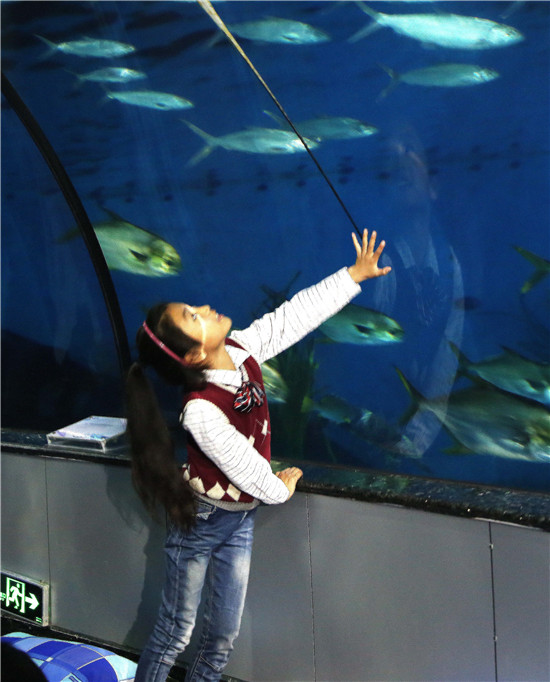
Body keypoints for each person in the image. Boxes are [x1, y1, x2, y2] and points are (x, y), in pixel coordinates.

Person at [125, 229, 392, 682]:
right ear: (193, 354)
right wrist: (279, 488)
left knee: (222, 636)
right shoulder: (201, 412)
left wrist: (353, 276)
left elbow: (293, 317)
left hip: (238, 518)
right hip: (203, 520)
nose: (205, 308)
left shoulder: (242, 349)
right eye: (194, 316)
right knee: (175, 631)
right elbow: (246, 467)